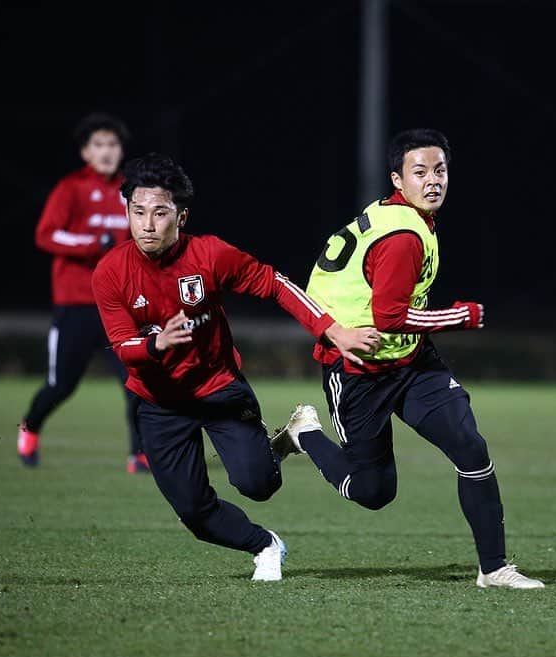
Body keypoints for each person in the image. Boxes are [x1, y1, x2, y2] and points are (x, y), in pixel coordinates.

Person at [271, 128, 545, 589]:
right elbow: (391, 315)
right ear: (398, 179)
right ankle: (305, 434)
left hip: (411, 363)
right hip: (357, 371)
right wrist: (463, 315)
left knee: (470, 447)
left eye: (440, 171)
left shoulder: (397, 215)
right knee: (373, 492)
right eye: (420, 172)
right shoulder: (403, 236)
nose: (433, 180)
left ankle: (494, 568)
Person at [91, 152, 379, 581]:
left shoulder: (210, 255)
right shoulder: (111, 272)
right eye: (138, 212)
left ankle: (292, 437)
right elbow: (122, 345)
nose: (147, 224)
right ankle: (264, 543)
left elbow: (275, 283)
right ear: (127, 213)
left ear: (181, 216)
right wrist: (157, 343)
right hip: (159, 404)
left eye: (160, 213)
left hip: (219, 389)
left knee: (259, 485)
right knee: (193, 512)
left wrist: (330, 329)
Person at [17, 112, 147, 474]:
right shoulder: (70, 188)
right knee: (61, 386)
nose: (106, 151)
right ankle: (29, 428)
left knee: (136, 383)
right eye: (99, 145)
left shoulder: (130, 191)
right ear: (86, 153)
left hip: (118, 308)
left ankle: (140, 454)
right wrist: (92, 244)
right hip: (74, 305)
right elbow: (46, 234)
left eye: (113, 144)